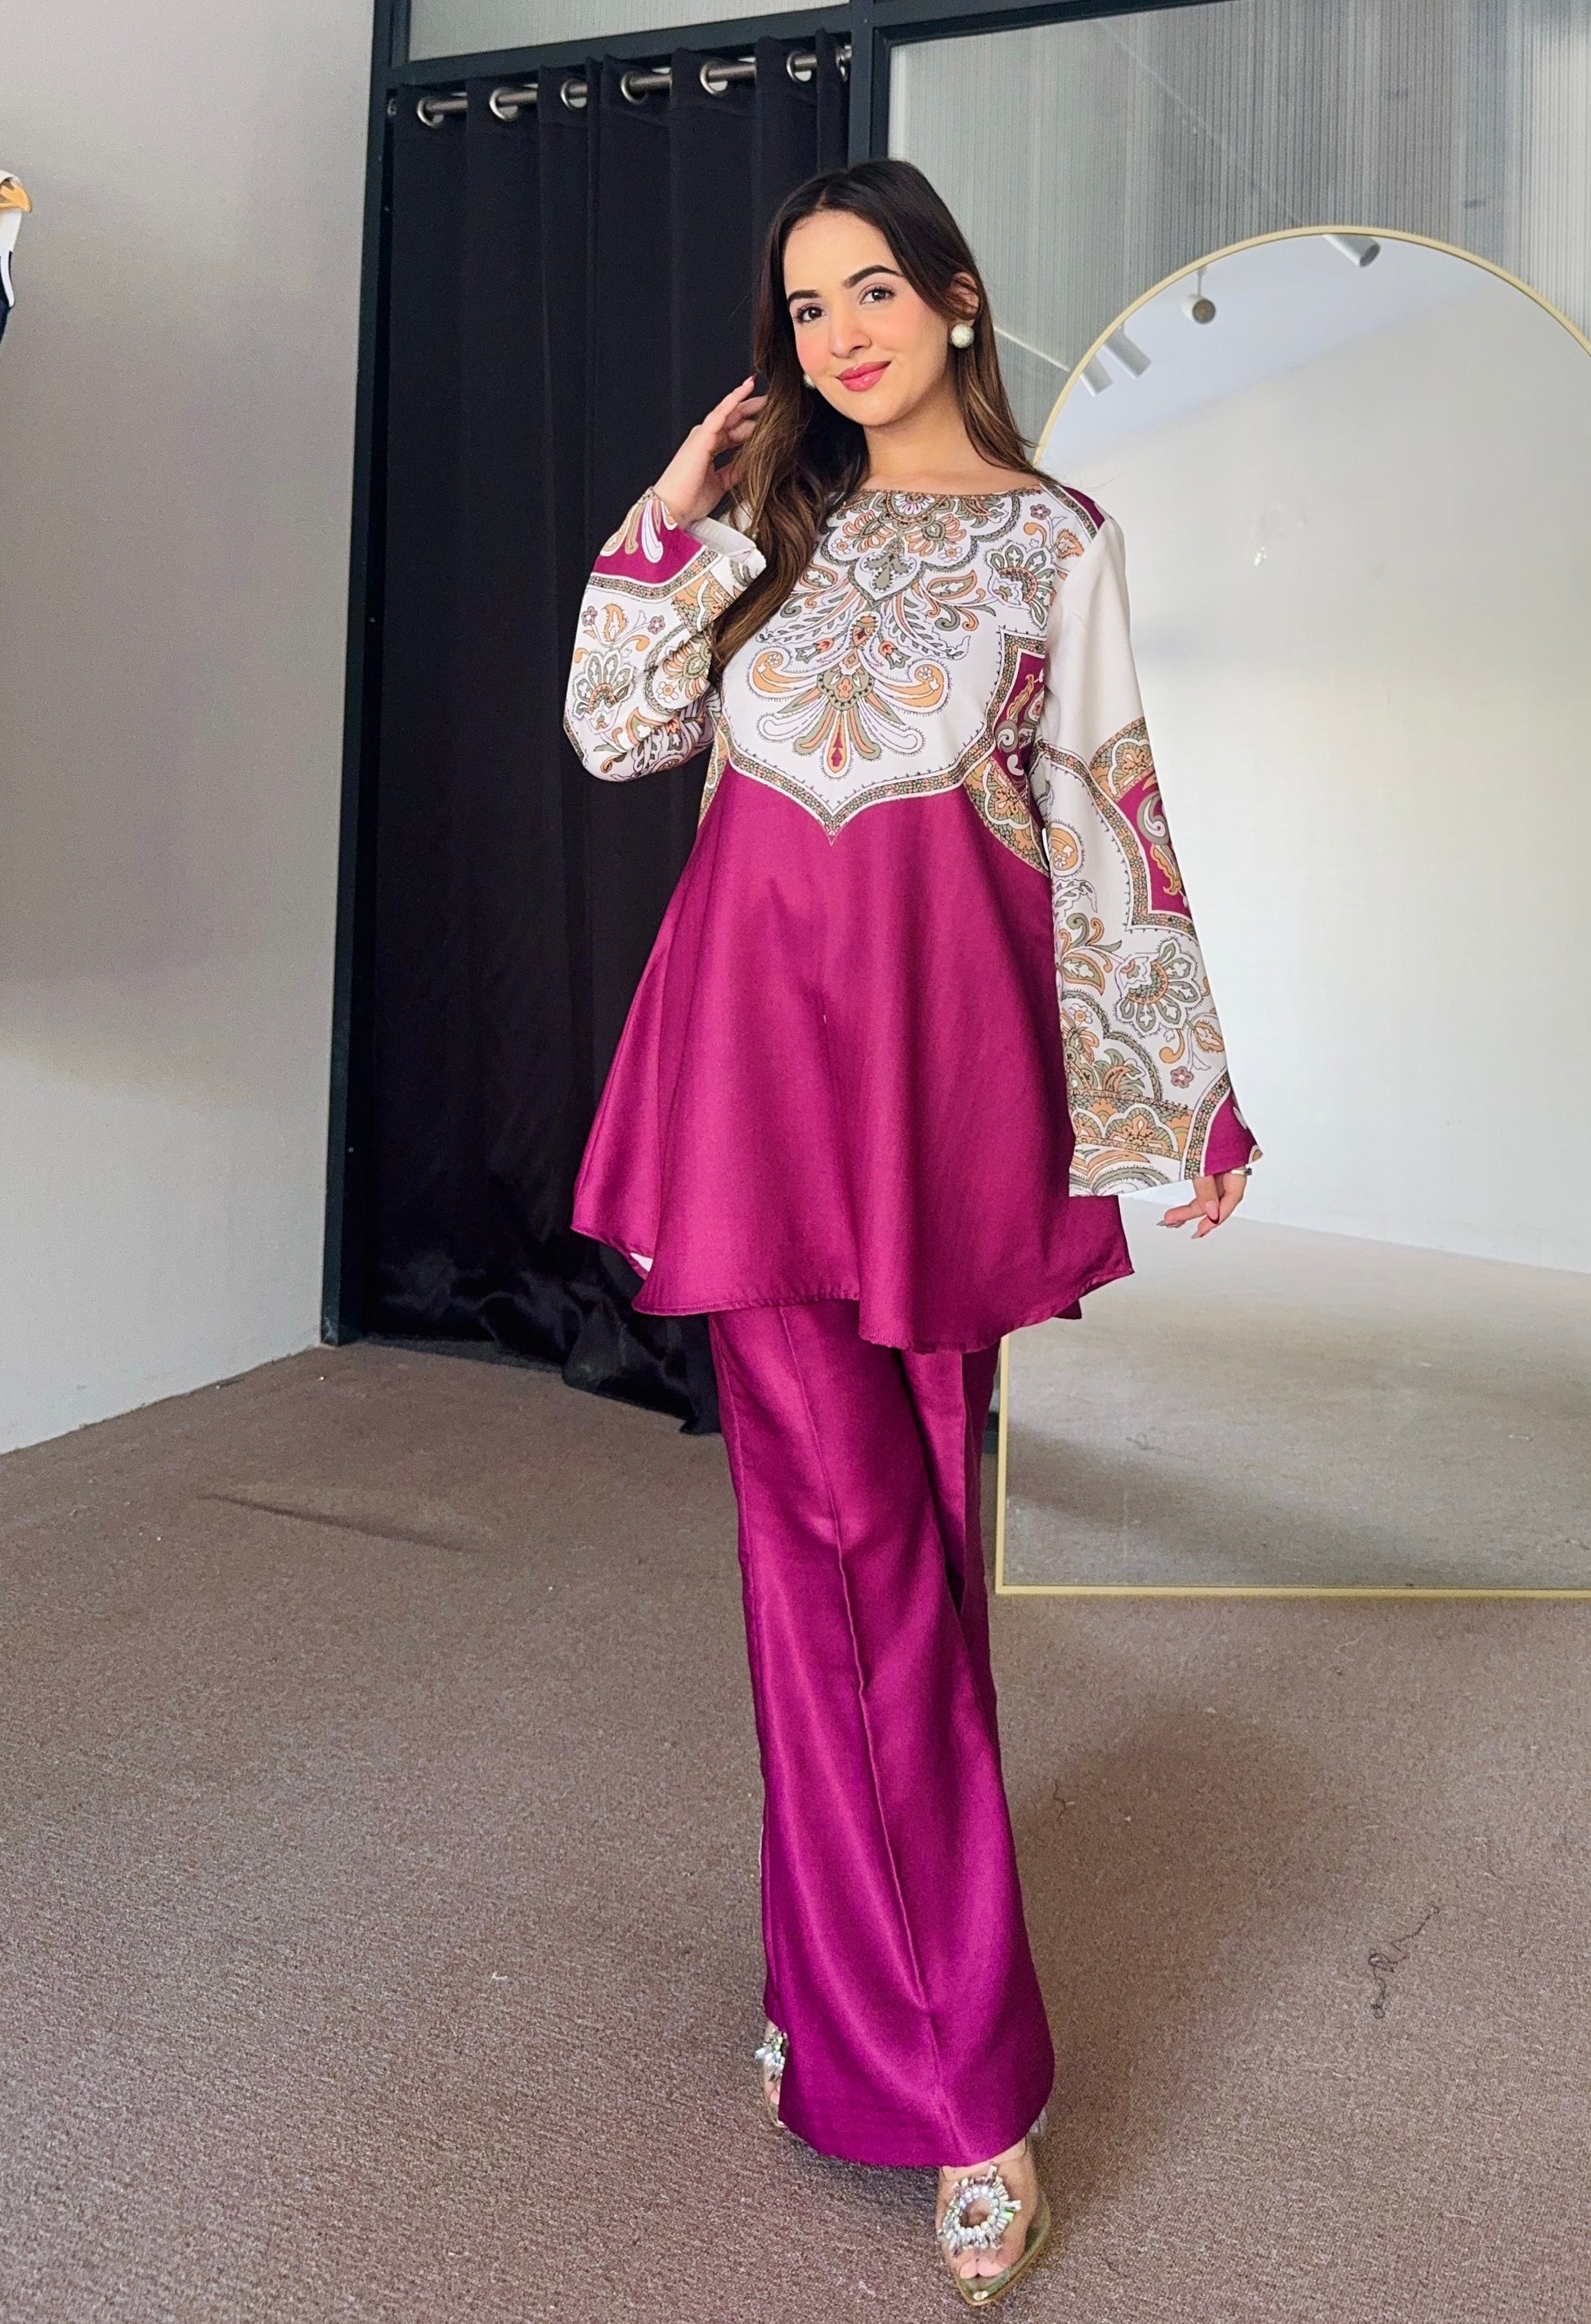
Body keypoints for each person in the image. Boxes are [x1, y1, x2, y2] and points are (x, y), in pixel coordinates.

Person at [562, 156, 1257, 2308]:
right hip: (747, 1082)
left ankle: (860, 2002)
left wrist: (1177, 1090)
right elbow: (612, 730)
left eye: (874, 289)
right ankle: (955, 2083)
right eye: (806, 306)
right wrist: (677, 507)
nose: (842, 333)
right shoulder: (772, 536)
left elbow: (1107, 816)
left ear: (956, 299)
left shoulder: (1057, 544)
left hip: (935, 1100)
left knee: (908, 1554)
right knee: (831, 1546)